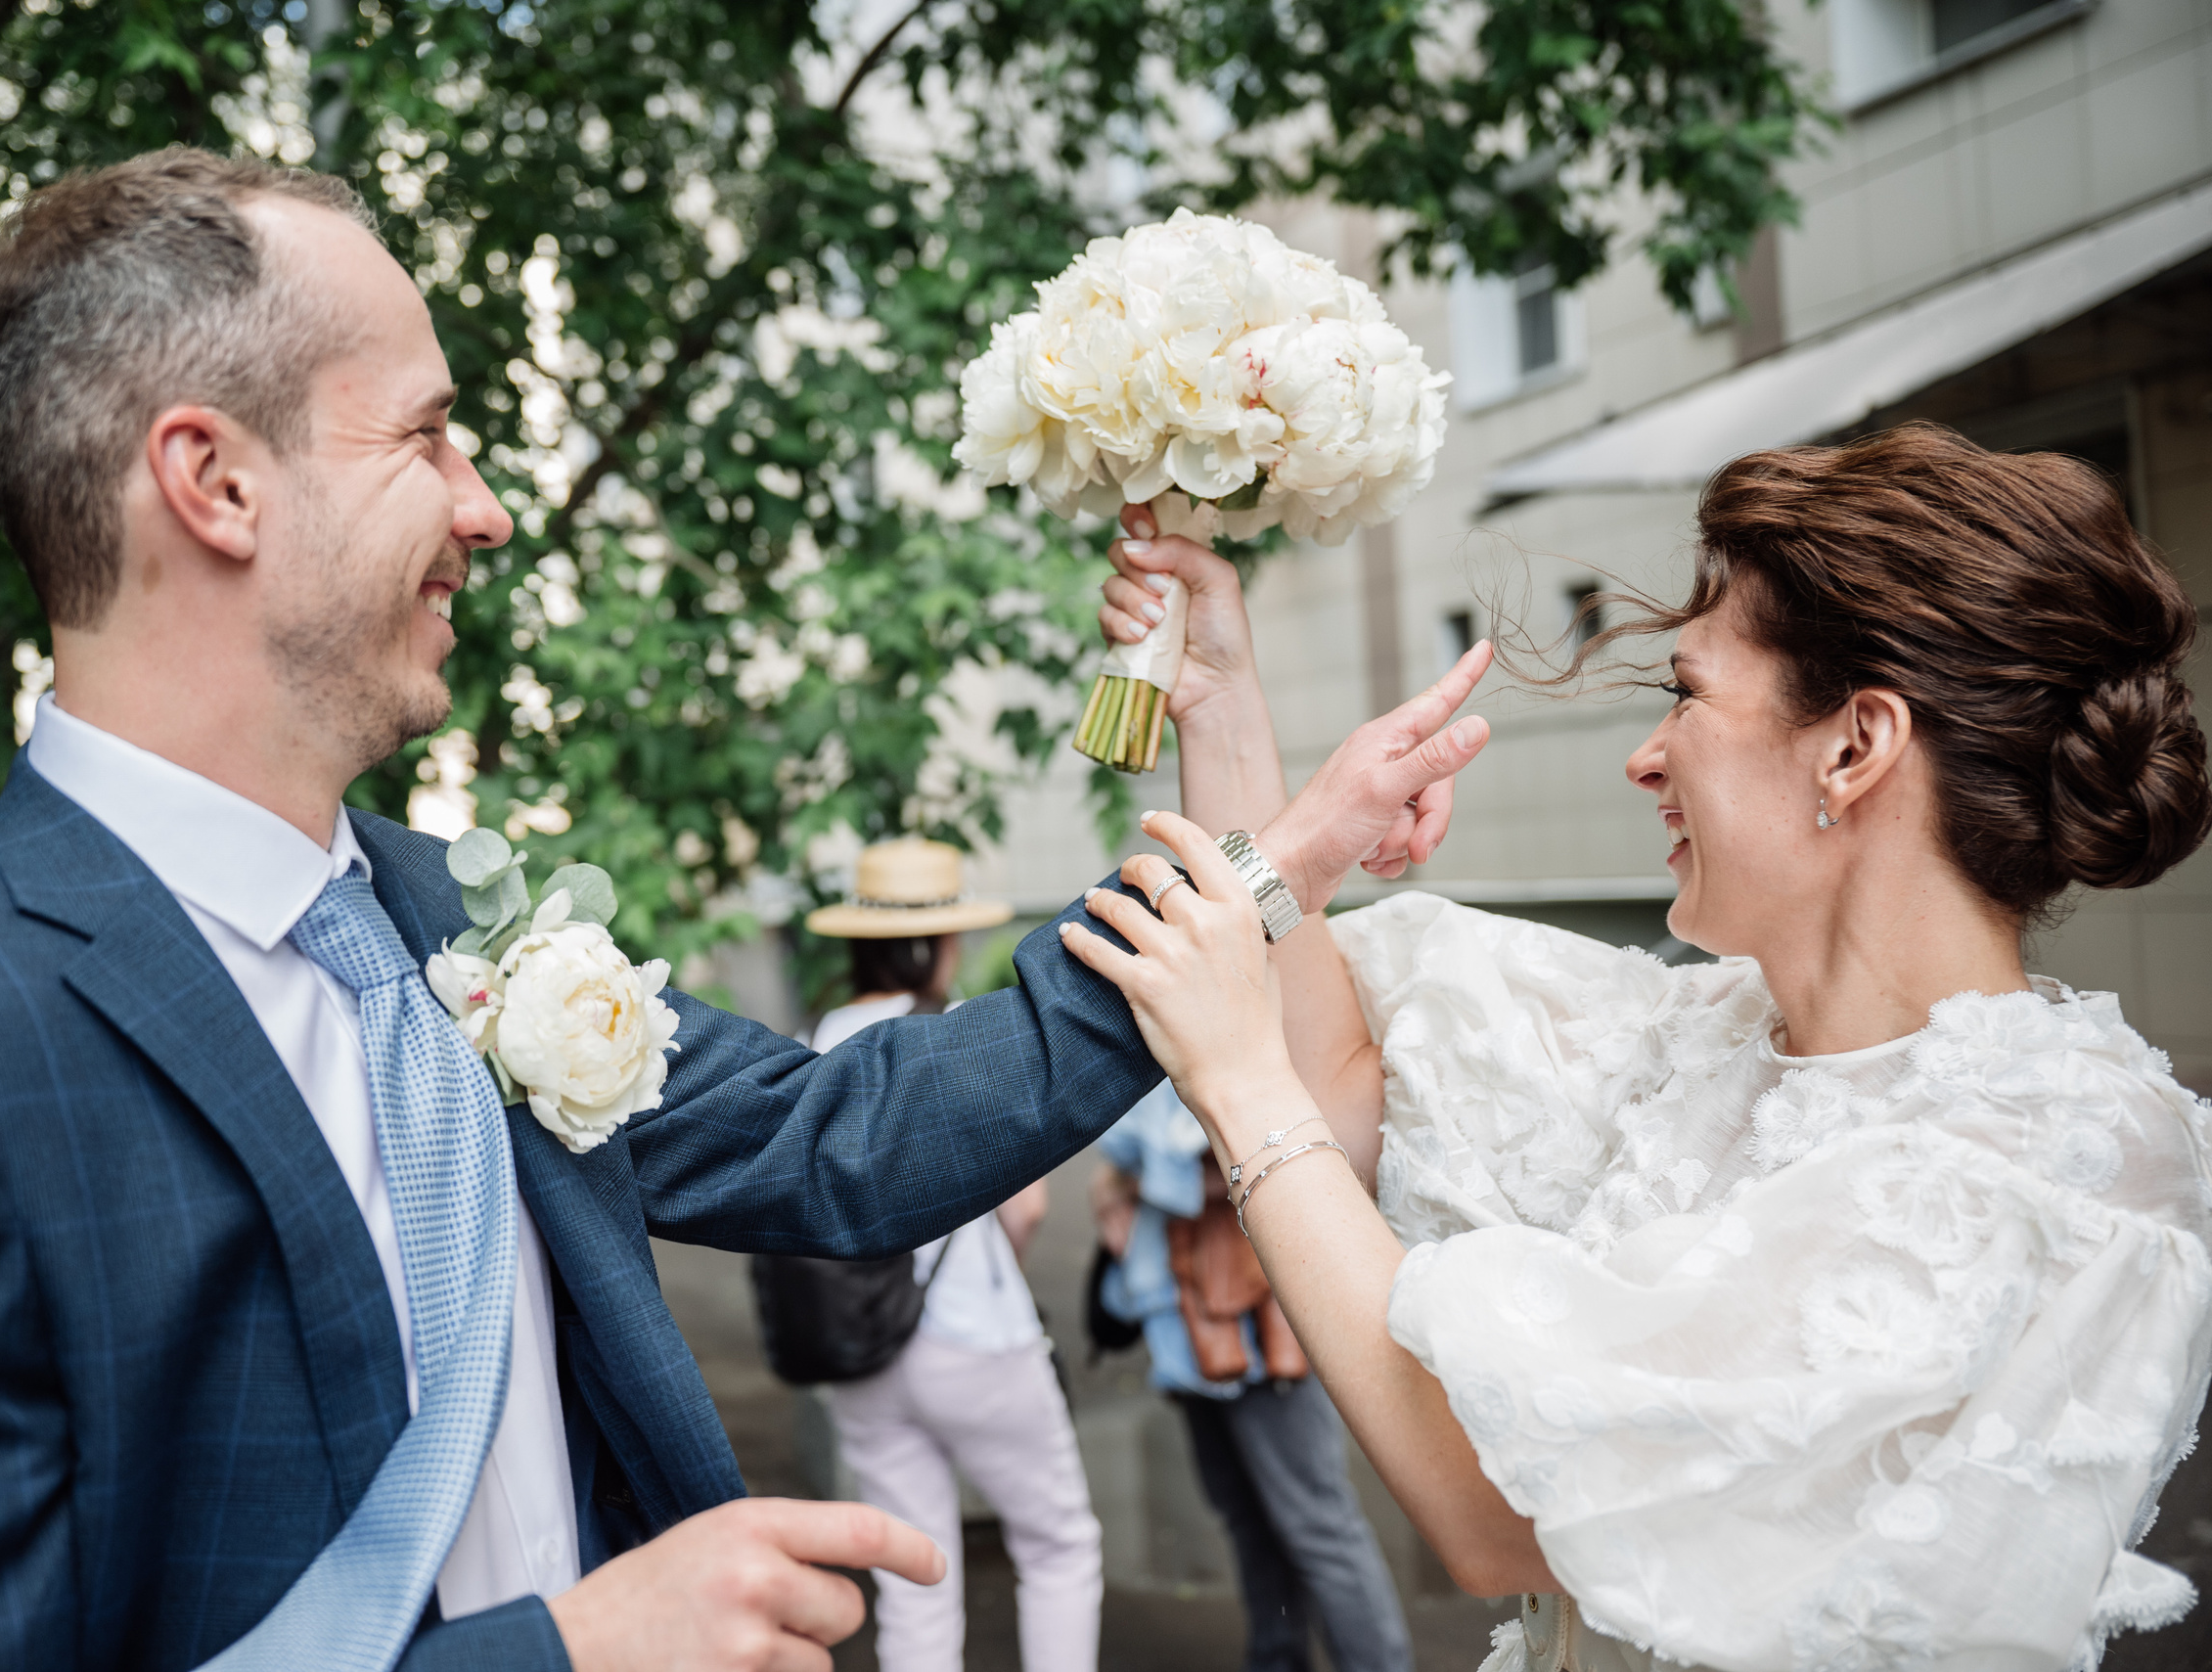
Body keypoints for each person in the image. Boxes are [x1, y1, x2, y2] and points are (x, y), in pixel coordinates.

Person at [0, 150, 1482, 1672]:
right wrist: (563, 1652)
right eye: (424, 434)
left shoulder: (458, 922)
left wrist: (1287, 845)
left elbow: (845, 1135)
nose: (484, 506)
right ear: (215, 481)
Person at [1059, 424, 2212, 1672]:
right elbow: (1339, 1071)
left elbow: (1503, 1515)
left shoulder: (2048, 1161)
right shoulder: (1697, 1033)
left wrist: (1234, 1088)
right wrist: (1220, 700)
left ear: (1854, 745)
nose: (1645, 754)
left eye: (1687, 693)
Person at [803, 838, 1106, 1672]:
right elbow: (1027, 1205)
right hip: (972, 1333)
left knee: (916, 1574)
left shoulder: (821, 1034)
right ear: (936, 942)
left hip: (861, 1344)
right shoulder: (952, 1038)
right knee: (1057, 1545)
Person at [1093, 1082, 1414, 1672]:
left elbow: (1284, 1162)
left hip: (1261, 1320)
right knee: (1249, 1516)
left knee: (1316, 1523)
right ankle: (1276, 1657)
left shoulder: (1257, 1029)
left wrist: (1131, 1182)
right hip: (1189, 1320)